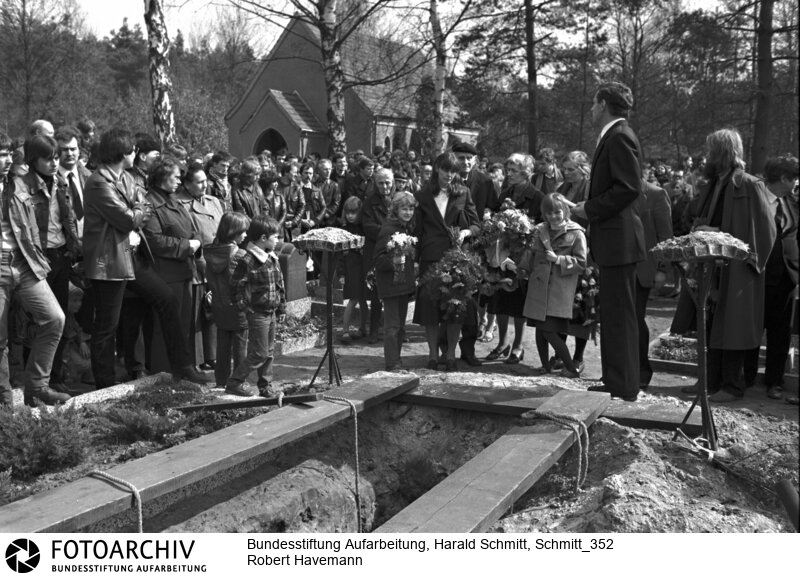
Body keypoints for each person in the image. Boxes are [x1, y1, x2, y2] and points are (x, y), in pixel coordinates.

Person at [680, 128, 776, 402]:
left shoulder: (749, 185)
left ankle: (732, 386)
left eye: (711, 152)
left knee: (731, 326)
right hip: (712, 265)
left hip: (736, 271)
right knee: (708, 323)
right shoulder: (715, 184)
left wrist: (720, 233)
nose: (706, 157)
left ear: (722, 153)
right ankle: (708, 381)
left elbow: (765, 230)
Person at [572, 81, 646, 402]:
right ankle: (617, 380)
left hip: (620, 242)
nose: (590, 109)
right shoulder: (615, 136)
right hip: (614, 241)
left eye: (592, 103)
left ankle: (624, 385)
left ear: (603, 104)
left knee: (621, 316)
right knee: (614, 315)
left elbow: (628, 187)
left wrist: (587, 208)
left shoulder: (619, 137)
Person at [0, 130, 68, 407]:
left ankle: (37, 387)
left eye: (7, 154)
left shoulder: (20, 184)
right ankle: (4, 402)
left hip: (24, 263)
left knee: (54, 318)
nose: (5, 159)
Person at [413, 152, 480, 371]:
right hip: (430, 259)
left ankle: (450, 355)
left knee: (455, 311)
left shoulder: (464, 193)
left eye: (453, 171)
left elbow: (477, 225)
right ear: (436, 168)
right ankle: (432, 355)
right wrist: (414, 260)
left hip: (456, 259)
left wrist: (466, 233)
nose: (449, 175)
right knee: (430, 312)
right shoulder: (422, 195)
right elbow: (418, 231)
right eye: (445, 170)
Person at [743, 155, 798, 400]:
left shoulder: (792, 202)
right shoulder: (755, 198)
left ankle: (774, 381)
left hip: (786, 277)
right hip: (757, 275)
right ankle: (747, 376)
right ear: (784, 178)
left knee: (780, 332)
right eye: (794, 178)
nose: (797, 182)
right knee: (753, 327)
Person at [520, 192, 587, 378]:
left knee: (548, 330)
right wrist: (519, 268)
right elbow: (529, 256)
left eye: (557, 212)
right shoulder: (538, 230)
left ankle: (571, 368)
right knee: (540, 330)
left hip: (559, 290)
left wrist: (559, 259)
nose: (553, 217)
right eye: (549, 213)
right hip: (538, 287)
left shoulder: (576, 233)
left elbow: (582, 263)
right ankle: (545, 367)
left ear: (565, 211)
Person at [486, 153, 544, 365]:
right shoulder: (505, 193)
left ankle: (518, 345)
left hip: (523, 256)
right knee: (499, 300)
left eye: (513, 170)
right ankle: (502, 343)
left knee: (518, 302)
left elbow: (541, 226)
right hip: (501, 254)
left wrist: (523, 232)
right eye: (508, 170)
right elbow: (495, 215)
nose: (508, 174)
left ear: (526, 172)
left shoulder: (537, 196)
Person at [227, 215, 286, 397]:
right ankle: (234, 382)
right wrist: (245, 307)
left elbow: (280, 284)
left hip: (271, 312)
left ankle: (265, 386)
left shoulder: (272, 257)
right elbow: (235, 286)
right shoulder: (248, 260)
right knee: (259, 353)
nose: (277, 240)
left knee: (269, 352)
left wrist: (281, 308)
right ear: (263, 238)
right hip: (258, 313)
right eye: (275, 237)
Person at [176, 164, 225, 370]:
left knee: (214, 309)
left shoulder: (214, 201)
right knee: (198, 312)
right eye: (199, 182)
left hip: (220, 260)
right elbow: (190, 236)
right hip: (198, 263)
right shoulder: (181, 205)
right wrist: (202, 263)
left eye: (205, 180)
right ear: (187, 184)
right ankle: (196, 359)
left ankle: (213, 355)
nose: (205, 185)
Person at [205, 212, 250, 389]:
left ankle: (221, 381)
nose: (245, 235)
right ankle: (238, 382)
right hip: (238, 307)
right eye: (242, 232)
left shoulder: (210, 252)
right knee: (240, 347)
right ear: (233, 233)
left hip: (218, 304)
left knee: (222, 345)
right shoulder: (240, 255)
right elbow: (244, 283)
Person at [373, 191, 417, 371]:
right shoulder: (388, 230)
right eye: (404, 209)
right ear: (395, 210)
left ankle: (396, 359)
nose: (408, 212)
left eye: (411, 209)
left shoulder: (404, 228)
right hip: (391, 286)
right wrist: (394, 262)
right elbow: (377, 260)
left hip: (403, 285)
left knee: (400, 327)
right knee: (392, 326)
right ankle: (392, 363)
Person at [636, 178, 673, 389]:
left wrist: (662, 269)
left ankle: (642, 372)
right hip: (617, 267)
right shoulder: (612, 191)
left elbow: (665, 236)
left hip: (643, 268)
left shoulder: (656, 194)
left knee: (636, 318)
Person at [340, 197, 369, 343]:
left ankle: (363, 328)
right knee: (353, 299)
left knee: (363, 299)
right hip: (351, 268)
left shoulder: (364, 228)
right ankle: (345, 330)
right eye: (348, 213)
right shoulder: (344, 230)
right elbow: (339, 254)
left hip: (363, 267)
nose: (351, 216)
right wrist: (341, 273)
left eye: (354, 213)